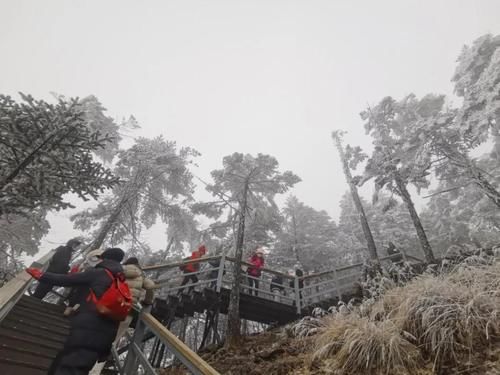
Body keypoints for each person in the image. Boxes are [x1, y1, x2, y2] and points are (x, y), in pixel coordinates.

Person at [26, 247, 126, 375]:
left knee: (65, 367)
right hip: (104, 337)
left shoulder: (99, 273)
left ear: (104, 258)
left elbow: (65, 280)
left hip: (86, 331)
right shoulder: (121, 282)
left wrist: (41, 275)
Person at [89, 256, 155, 375]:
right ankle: (95, 370)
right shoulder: (141, 275)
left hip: (107, 306)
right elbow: (150, 286)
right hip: (125, 309)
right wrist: (147, 301)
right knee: (113, 339)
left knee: (96, 333)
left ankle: (84, 360)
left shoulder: (118, 270)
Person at [64, 249, 104, 316]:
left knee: (78, 294)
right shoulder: (100, 262)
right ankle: (72, 309)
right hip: (88, 279)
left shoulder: (90, 259)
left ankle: (70, 309)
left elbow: (82, 267)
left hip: (84, 277)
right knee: (81, 295)